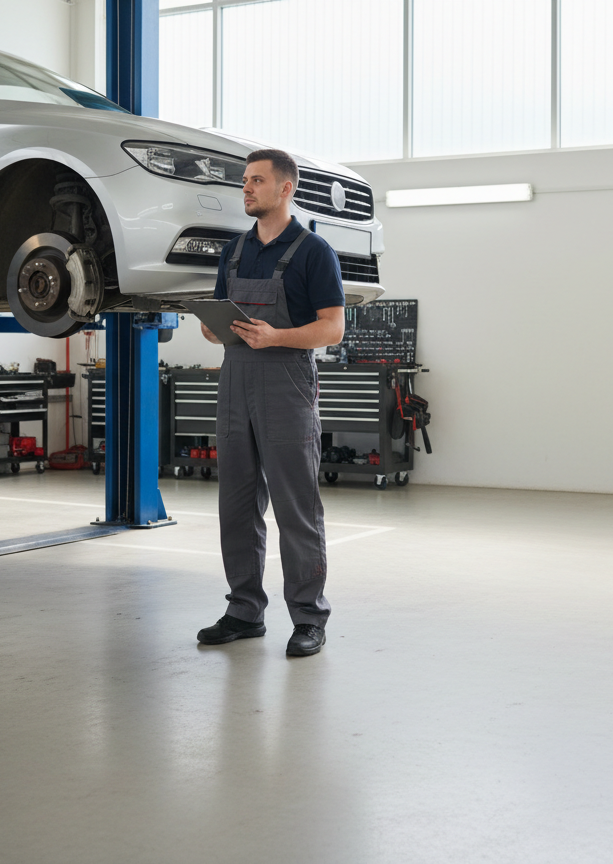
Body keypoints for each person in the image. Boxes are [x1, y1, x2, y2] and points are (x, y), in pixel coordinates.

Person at [196, 148, 344, 657]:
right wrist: (215, 330)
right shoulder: (234, 251)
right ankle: (243, 609)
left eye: (256, 181)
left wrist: (276, 336)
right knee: (236, 504)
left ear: (286, 189)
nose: (246, 188)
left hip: (286, 381)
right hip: (235, 377)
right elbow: (220, 318)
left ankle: (308, 617)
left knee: (295, 505)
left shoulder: (312, 251)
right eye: (244, 181)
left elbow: (332, 326)